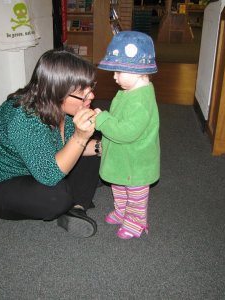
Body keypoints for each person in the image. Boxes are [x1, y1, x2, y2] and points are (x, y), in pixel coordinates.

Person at [0, 49, 102, 238]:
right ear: (57, 94)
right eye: (83, 93)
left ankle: (78, 207)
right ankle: (71, 197)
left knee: (96, 139)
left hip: (41, 167)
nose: (91, 97)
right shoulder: (24, 118)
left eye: (90, 88)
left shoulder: (62, 108)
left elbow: (72, 147)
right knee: (57, 196)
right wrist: (80, 138)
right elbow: (49, 175)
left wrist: (102, 148)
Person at [94, 31, 160, 239]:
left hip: (137, 160)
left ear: (138, 71)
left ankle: (136, 221)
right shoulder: (127, 92)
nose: (114, 76)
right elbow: (119, 120)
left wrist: (103, 121)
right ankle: (122, 211)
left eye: (118, 71)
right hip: (123, 157)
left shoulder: (141, 101)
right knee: (118, 184)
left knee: (136, 192)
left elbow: (127, 132)